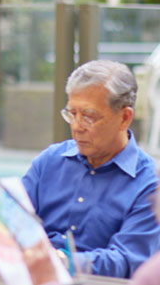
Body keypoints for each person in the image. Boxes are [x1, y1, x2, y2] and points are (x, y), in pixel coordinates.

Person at [22, 60, 160, 278]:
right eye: (71, 114)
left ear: (125, 118)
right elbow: (15, 222)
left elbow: (126, 260)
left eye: (89, 116)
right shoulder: (50, 161)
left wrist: (61, 261)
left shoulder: (149, 183)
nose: (77, 126)